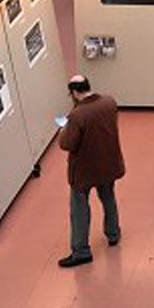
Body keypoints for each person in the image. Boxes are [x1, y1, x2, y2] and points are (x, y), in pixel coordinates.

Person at [57, 75, 125, 268]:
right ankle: (113, 234)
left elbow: (67, 144)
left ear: (74, 92)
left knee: (79, 209)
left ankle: (80, 251)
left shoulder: (78, 115)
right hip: (108, 164)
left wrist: (63, 129)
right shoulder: (109, 102)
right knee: (108, 198)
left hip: (85, 171)